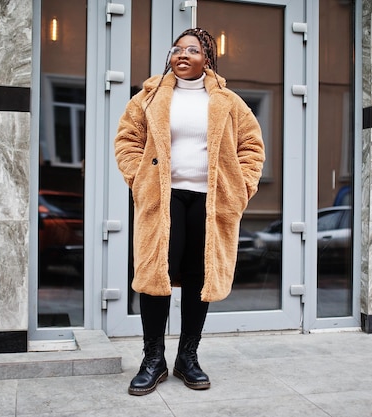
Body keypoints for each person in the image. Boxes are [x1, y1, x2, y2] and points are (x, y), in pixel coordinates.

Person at [114, 27, 265, 396]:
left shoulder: (229, 102)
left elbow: (252, 146)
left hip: (210, 201)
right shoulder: (148, 99)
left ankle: (187, 357)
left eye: (191, 50)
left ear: (207, 59)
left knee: (199, 276)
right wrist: (139, 180)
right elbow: (127, 139)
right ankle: (153, 360)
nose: (182, 55)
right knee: (156, 274)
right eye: (177, 49)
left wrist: (240, 189)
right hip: (164, 198)